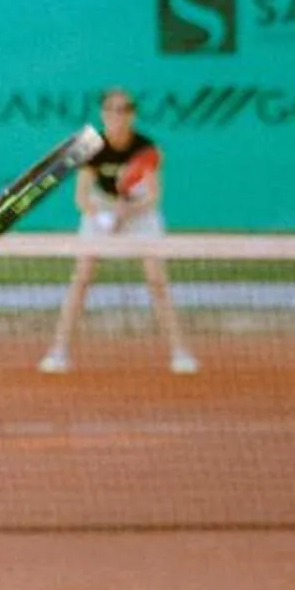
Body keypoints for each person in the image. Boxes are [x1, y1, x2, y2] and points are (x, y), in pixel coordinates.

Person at [39, 87, 198, 376]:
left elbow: (153, 195)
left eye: (124, 109)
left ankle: (180, 352)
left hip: (140, 212)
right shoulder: (89, 146)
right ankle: (58, 351)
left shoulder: (147, 147)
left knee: (157, 281)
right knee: (82, 277)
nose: (117, 115)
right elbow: (82, 198)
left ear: (132, 114)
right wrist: (102, 217)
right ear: (103, 113)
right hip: (101, 208)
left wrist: (128, 211)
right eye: (111, 109)